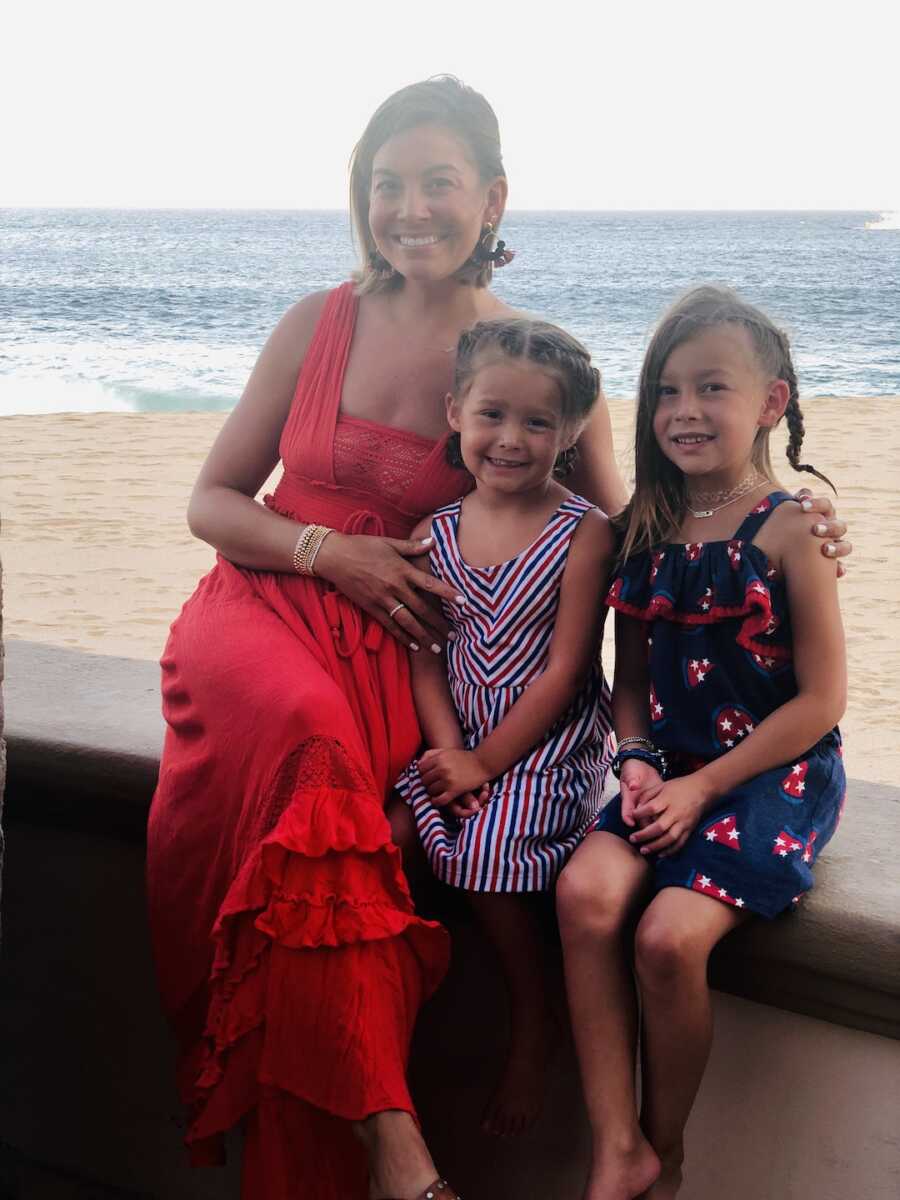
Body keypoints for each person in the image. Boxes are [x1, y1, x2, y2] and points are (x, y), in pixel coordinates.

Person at [145, 73, 851, 1200]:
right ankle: (400, 1150)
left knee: (362, 813)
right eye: (387, 185)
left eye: (439, 183)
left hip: (404, 653)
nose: (410, 207)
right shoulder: (312, 323)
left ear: (494, 199)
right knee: (308, 742)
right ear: (359, 198)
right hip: (269, 606)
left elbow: (638, 537)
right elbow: (213, 503)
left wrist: (800, 521)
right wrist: (334, 552)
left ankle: (367, 1132)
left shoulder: (535, 360)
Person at [555, 285, 847, 1200]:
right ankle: (615, 1143)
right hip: (669, 766)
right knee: (585, 892)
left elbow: (822, 701)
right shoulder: (644, 527)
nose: (684, 411)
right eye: (667, 390)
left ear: (770, 400)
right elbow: (631, 682)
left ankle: (662, 1146)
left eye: (711, 388)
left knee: (669, 941)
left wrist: (703, 787)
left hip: (771, 772)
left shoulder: (794, 529)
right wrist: (637, 758)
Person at [394, 317, 615, 1138]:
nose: (510, 439)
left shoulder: (582, 531)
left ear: (571, 433)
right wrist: (449, 751)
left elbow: (566, 671)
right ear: (455, 411)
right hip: (461, 738)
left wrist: (486, 761)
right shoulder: (433, 536)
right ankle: (399, 1030)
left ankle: (534, 1019)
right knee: (395, 837)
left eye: (537, 422)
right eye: (492, 414)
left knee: (485, 855)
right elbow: (425, 658)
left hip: (545, 746)